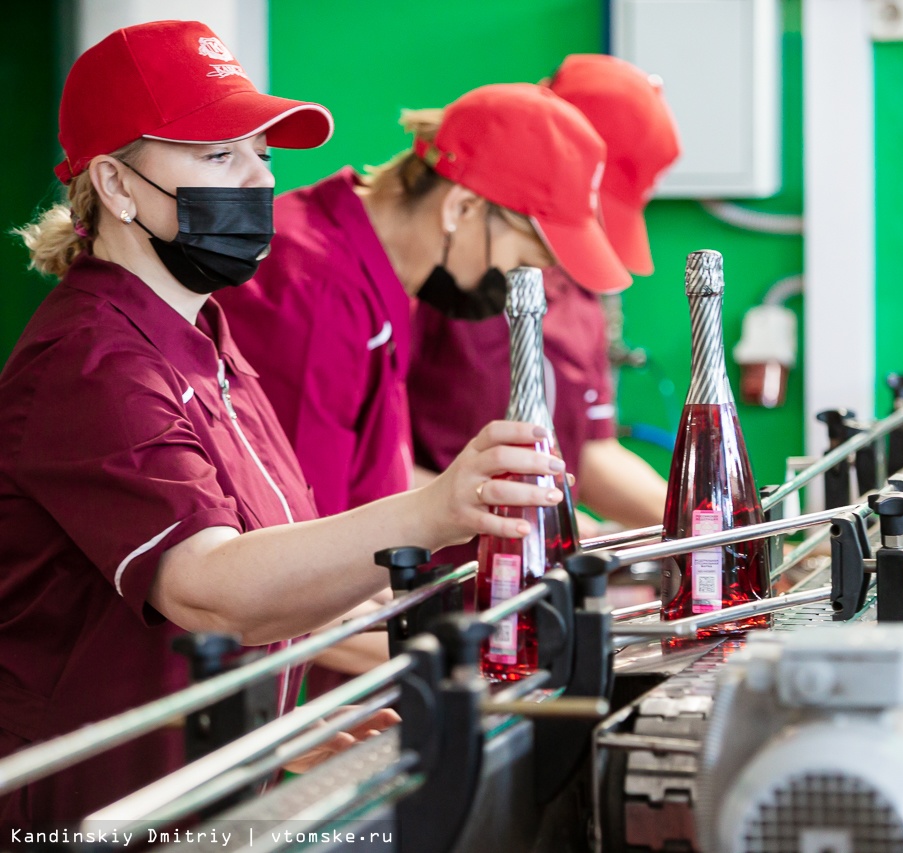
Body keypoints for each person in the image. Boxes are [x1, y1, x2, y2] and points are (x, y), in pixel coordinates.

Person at [0, 21, 564, 828]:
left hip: (198, 793)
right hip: (81, 813)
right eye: (218, 155)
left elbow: (282, 558)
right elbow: (210, 587)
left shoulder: (206, 340)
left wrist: (298, 734)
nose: (260, 181)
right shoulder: (89, 363)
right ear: (117, 186)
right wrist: (439, 508)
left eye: (262, 154)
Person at [216, 81, 629, 695]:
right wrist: (483, 668)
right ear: (461, 208)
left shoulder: (382, 280)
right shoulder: (318, 290)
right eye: (528, 256)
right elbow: (296, 558)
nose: (532, 281)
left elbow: (363, 481)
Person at [409, 54, 680, 536]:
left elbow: (591, 453)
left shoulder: (578, 290)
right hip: (438, 569)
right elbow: (360, 470)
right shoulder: (446, 273)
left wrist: (711, 525)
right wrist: (528, 518)